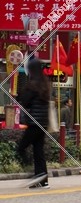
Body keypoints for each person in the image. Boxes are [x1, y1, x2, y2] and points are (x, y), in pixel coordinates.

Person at [17, 57, 51, 189]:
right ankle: (43, 180)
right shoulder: (44, 84)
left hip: (34, 123)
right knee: (38, 151)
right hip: (43, 123)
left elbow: (24, 101)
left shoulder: (33, 85)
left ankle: (33, 173)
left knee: (21, 148)